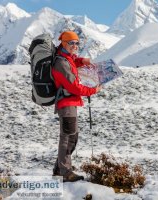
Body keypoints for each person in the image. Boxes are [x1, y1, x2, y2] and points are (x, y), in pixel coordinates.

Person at [51, 31, 101, 182]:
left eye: (77, 43)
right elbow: (74, 87)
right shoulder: (61, 62)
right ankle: (65, 173)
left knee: (72, 137)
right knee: (67, 138)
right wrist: (93, 90)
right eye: (71, 43)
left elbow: (72, 63)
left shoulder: (66, 58)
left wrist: (82, 61)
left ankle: (59, 170)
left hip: (70, 103)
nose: (75, 46)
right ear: (64, 43)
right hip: (66, 104)